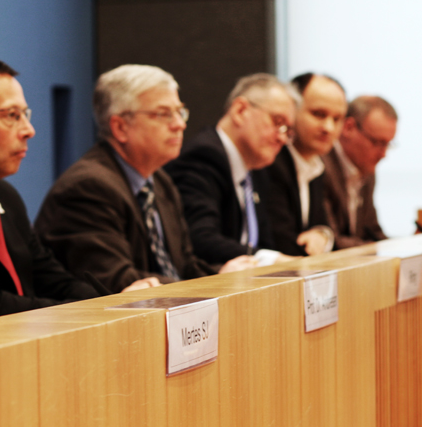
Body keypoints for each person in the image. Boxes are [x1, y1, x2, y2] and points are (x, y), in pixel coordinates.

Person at [0, 62, 157, 320]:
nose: (29, 130)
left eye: (25, 115)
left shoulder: (5, 197)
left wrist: (113, 302)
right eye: (11, 116)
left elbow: (53, 278)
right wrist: (83, 312)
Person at [34, 65, 254, 294]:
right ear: (120, 127)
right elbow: (119, 280)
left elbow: (185, 266)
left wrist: (222, 276)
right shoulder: (88, 187)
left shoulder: (159, 181)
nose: (179, 124)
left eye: (180, 112)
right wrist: (209, 288)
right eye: (163, 114)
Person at [166, 74, 298, 265]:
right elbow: (201, 240)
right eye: (277, 122)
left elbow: (264, 241)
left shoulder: (257, 169)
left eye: (287, 130)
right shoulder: (203, 157)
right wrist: (270, 260)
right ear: (240, 110)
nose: (282, 138)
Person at [261, 73, 346, 256]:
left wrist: (324, 235)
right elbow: (285, 245)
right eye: (318, 114)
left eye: (337, 119)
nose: (328, 128)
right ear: (292, 110)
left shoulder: (316, 164)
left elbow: (322, 228)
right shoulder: (272, 161)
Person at [322, 95, 397, 248]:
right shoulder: (320, 166)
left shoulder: (366, 169)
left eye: (388, 144)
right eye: (378, 142)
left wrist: (405, 247)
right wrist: (374, 249)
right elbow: (330, 241)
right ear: (348, 127)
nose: (383, 154)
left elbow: (372, 231)